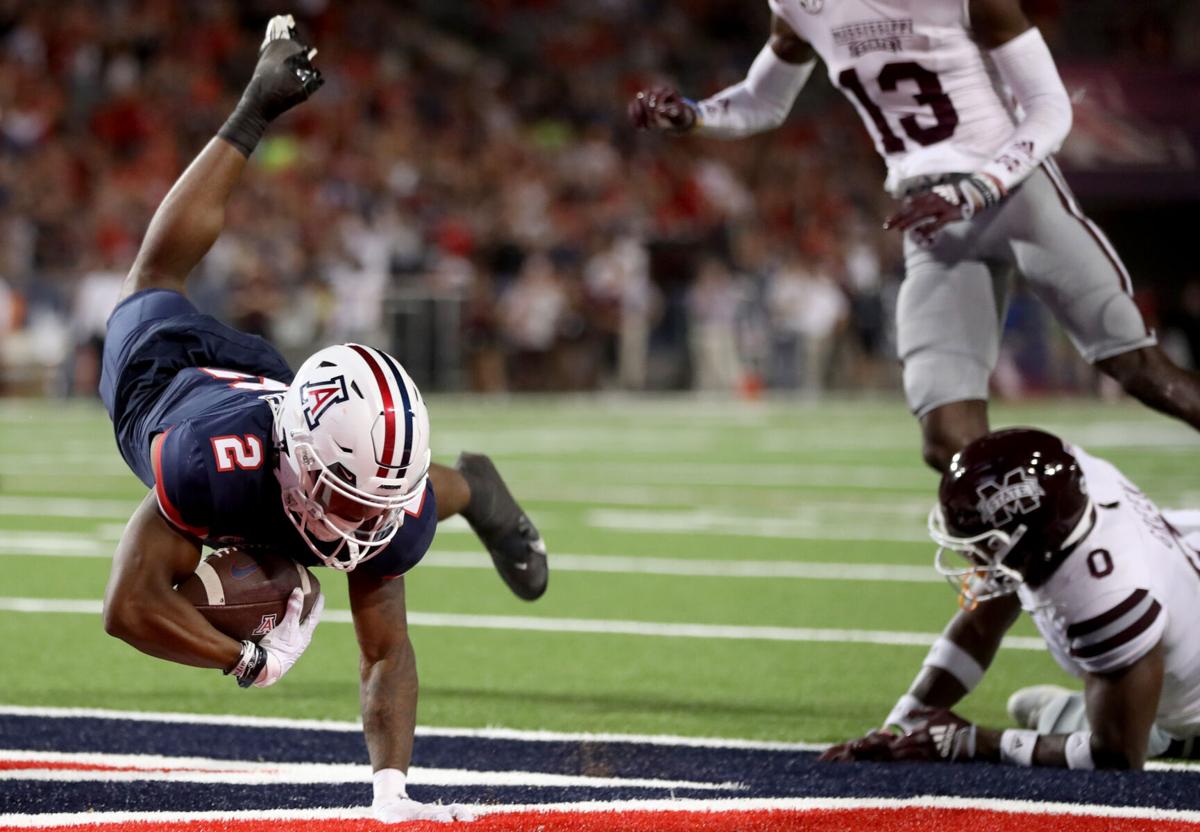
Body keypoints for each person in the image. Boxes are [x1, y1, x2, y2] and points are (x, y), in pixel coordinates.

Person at [98, 17, 546, 823]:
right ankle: (248, 107)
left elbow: (386, 652)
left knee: (405, 513)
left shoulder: (377, 494)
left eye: (372, 498)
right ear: (301, 461)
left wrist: (391, 793)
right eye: (346, 496)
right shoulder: (207, 465)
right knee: (152, 277)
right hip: (169, 379)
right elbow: (128, 607)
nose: (363, 523)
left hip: (278, 396)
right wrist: (246, 661)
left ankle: (472, 487)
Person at [629, 0, 1200, 471]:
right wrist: (694, 114)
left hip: (1013, 193)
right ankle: (1018, 572)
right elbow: (762, 100)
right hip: (926, 215)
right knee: (948, 440)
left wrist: (977, 187)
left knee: (1136, 367)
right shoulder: (801, 6)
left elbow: (1050, 108)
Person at [821, 428, 1200, 770]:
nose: (970, 558)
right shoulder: (1062, 496)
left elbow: (1117, 756)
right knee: (1123, 703)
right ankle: (1144, 721)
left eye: (979, 546)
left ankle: (1170, 731)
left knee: (1127, 729)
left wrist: (975, 741)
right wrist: (903, 721)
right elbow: (980, 626)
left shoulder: (1111, 597)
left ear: (1019, 543)